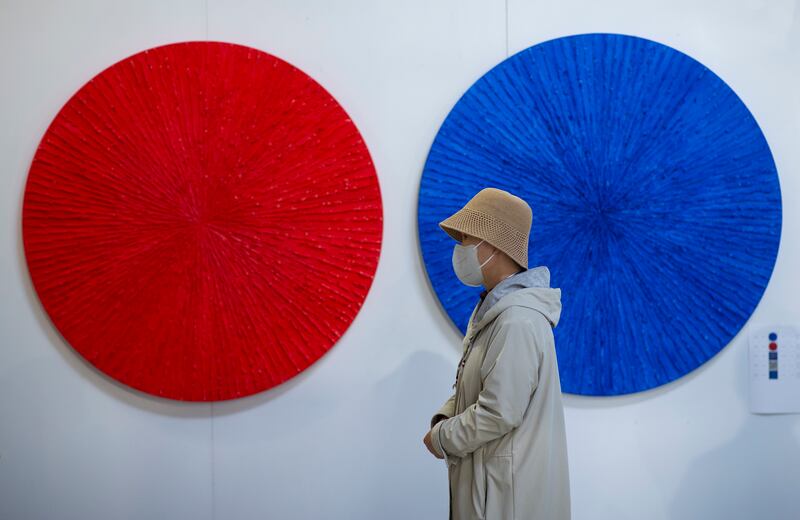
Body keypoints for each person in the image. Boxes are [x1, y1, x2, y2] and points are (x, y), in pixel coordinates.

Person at [422, 187, 570, 519]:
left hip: (506, 500)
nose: (460, 250)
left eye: (466, 239)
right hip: (492, 490)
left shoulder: (517, 320)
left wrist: (442, 438)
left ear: (494, 245)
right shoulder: (497, 313)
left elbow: (500, 412)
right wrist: (446, 416)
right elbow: (478, 386)